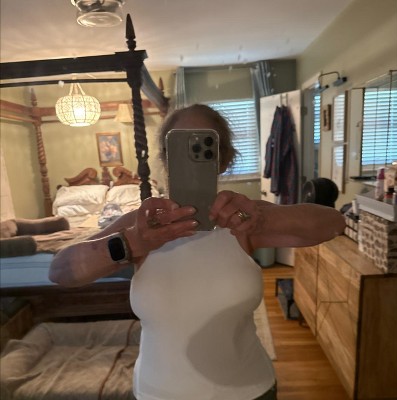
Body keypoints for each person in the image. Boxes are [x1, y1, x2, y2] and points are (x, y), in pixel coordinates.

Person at [49, 104, 346, 400]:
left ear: (223, 159)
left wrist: (263, 219)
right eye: (179, 146)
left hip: (250, 391)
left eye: (204, 144)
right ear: (166, 158)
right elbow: (60, 271)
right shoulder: (139, 226)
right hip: (157, 394)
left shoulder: (245, 221)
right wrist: (134, 242)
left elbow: (333, 224)